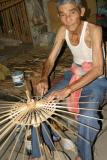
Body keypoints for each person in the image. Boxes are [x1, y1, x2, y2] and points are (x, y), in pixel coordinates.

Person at [32, 0, 107, 160]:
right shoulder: (62, 30)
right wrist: (44, 78)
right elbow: (50, 60)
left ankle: (83, 155)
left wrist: (68, 89)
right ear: (59, 16)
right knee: (39, 105)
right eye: (63, 15)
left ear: (81, 11)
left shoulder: (94, 30)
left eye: (72, 13)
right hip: (74, 73)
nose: (68, 19)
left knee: (88, 117)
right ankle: (40, 150)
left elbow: (98, 69)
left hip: (95, 78)